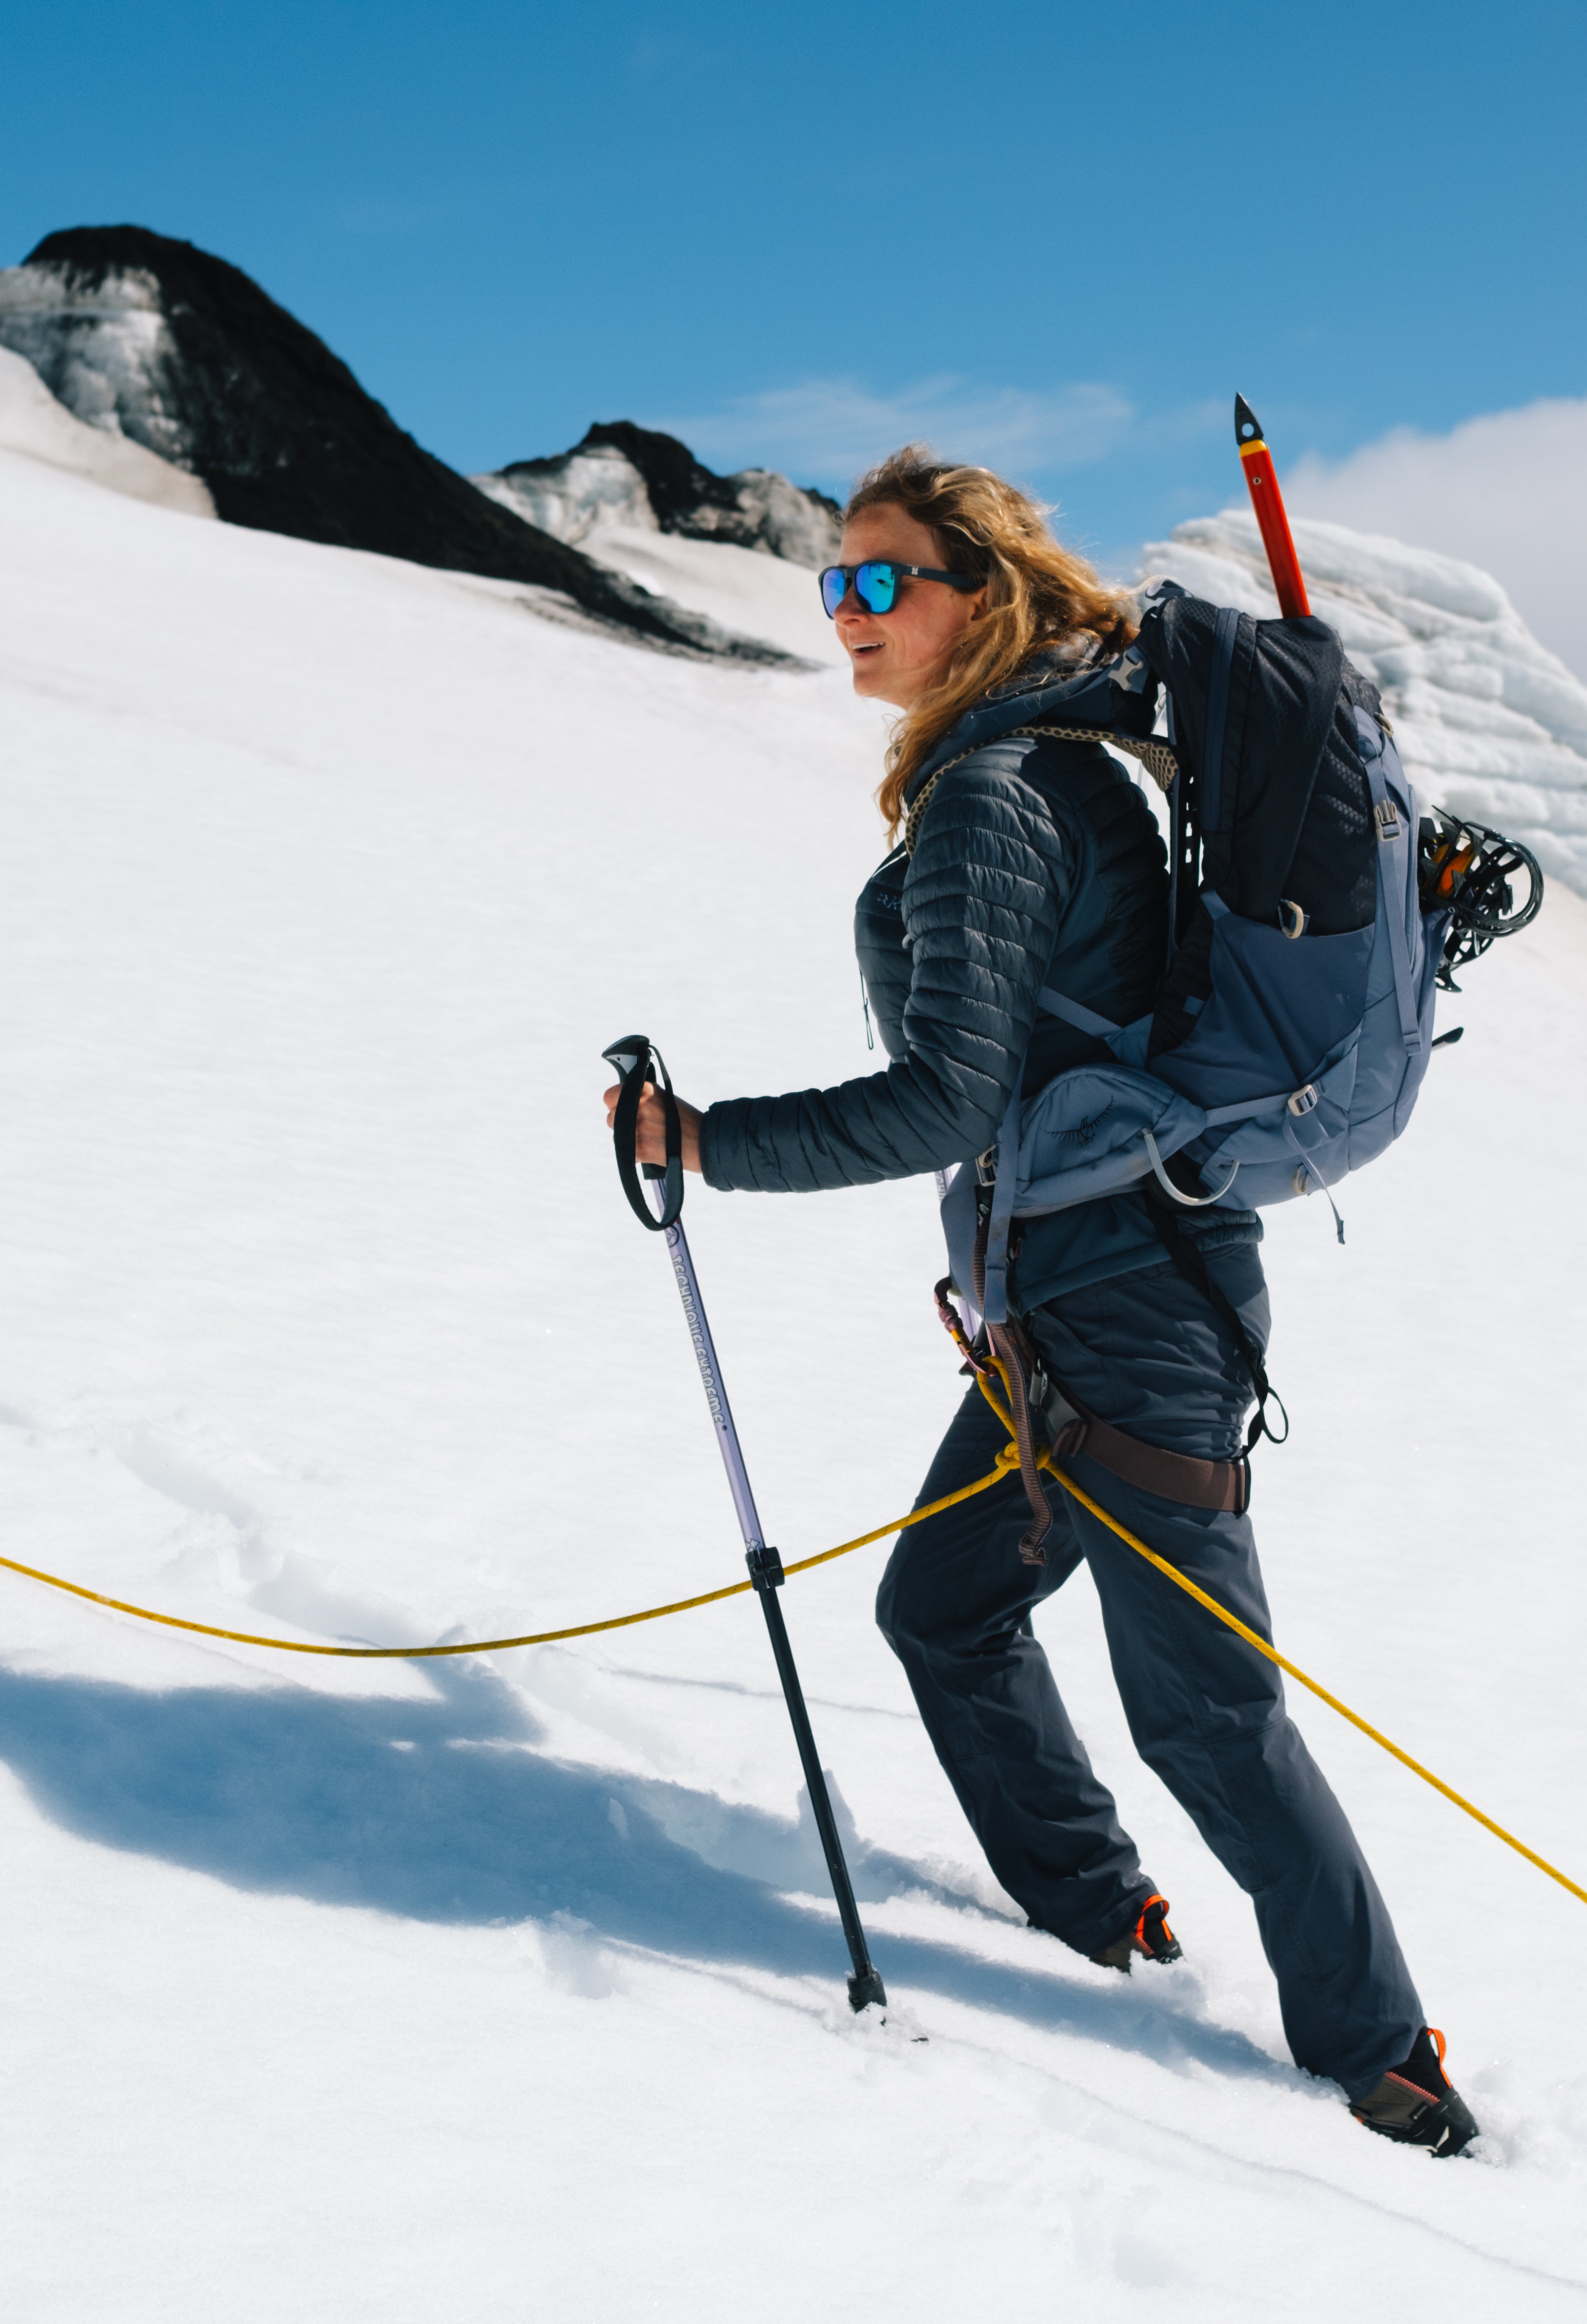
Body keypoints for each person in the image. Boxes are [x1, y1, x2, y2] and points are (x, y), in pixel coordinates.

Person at [602, 448, 1476, 2156]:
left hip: (1126, 1307)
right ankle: (1101, 1910)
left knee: (1208, 1714)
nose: (846, 614)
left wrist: (706, 1141)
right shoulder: (1065, 766)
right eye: (832, 584)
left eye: (881, 583)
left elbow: (945, 1094)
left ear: (978, 599)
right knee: (944, 1612)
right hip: (1086, 1287)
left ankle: (1388, 2064)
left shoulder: (999, 797)